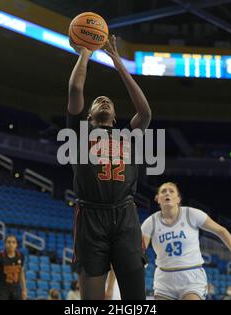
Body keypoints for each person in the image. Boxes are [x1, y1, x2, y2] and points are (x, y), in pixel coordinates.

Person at [67, 35, 152, 300]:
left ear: (115, 118)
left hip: (125, 216)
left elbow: (145, 112)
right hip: (91, 217)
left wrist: (118, 64)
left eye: (109, 102)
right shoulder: (79, 133)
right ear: (88, 116)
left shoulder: (128, 136)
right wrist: (85, 53)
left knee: (135, 300)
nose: (103, 101)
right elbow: (75, 90)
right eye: (97, 102)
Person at [141, 182, 231, 300]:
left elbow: (222, 231)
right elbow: (140, 250)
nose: (167, 193)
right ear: (158, 199)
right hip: (164, 278)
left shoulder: (191, 214)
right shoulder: (150, 222)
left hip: (191, 276)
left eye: (171, 191)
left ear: (178, 199)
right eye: (163, 191)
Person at [0, 235, 27, 300]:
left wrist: (24, 290)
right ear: (5, 244)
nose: (11, 244)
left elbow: (21, 274)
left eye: (13, 242)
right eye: (9, 242)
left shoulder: (21, 256)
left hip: (17, 290)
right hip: (3, 291)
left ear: (16, 244)